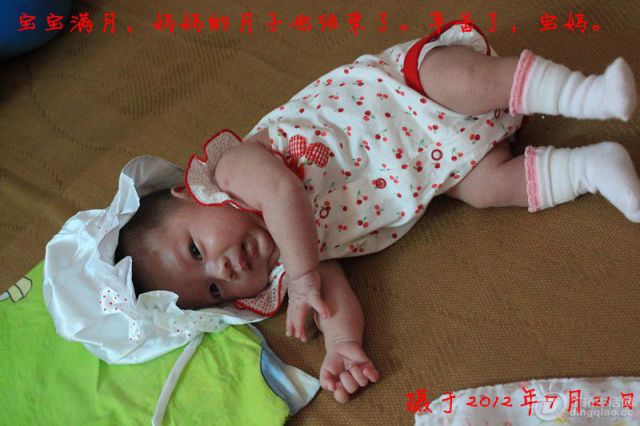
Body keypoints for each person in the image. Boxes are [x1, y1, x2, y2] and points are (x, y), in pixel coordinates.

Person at [49, 20, 640, 404]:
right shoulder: (288, 268)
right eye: (211, 290)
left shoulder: (231, 174)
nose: (224, 269)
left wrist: (304, 275)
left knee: (468, 79)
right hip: (441, 166)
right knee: (488, 189)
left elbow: (285, 195)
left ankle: (586, 93)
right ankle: (591, 168)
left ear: (185, 195)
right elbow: (331, 293)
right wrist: (340, 345)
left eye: (196, 249)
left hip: (406, 91)